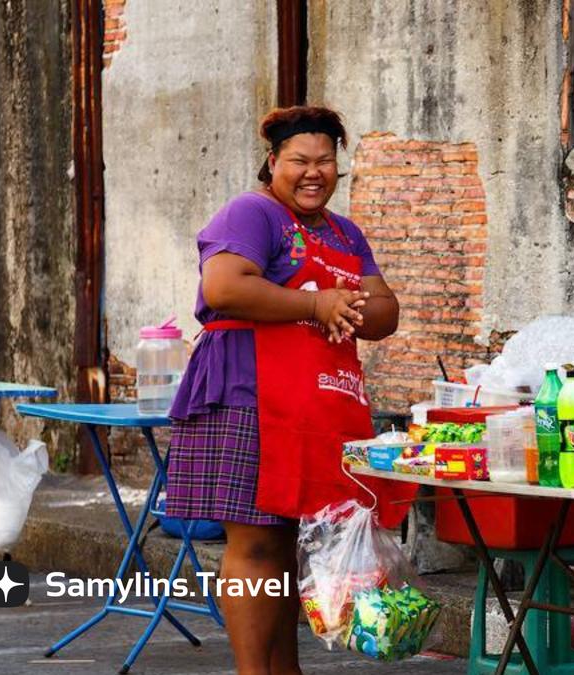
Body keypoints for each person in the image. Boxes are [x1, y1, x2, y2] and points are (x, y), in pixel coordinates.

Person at [165, 105, 414, 675]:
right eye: (299, 160)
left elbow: (385, 311)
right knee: (254, 545)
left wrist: (347, 306)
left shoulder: (345, 231)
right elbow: (224, 285)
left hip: (311, 404)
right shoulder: (251, 212)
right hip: (244, 396)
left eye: (325, 160)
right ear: (272, 162)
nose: (313, 172)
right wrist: (315, 302)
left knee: (284, 547)